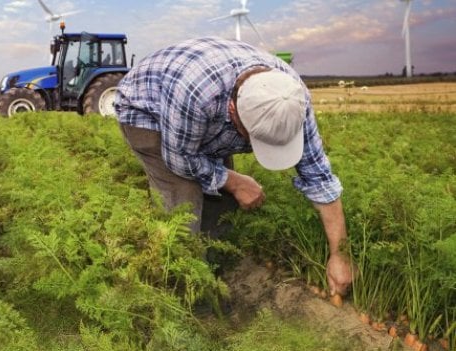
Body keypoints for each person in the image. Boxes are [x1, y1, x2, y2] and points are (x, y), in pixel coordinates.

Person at [114, 37, 352, 297]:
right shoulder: (196, 94)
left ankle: (217, 273)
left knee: (222, 201)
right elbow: (180, 159)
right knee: (183, 206)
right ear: (233, 112)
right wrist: (235, 181)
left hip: (201, 114)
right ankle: (185, 292)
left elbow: (320, 178)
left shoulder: (291, 98)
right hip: (148, 113)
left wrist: (340, 255)